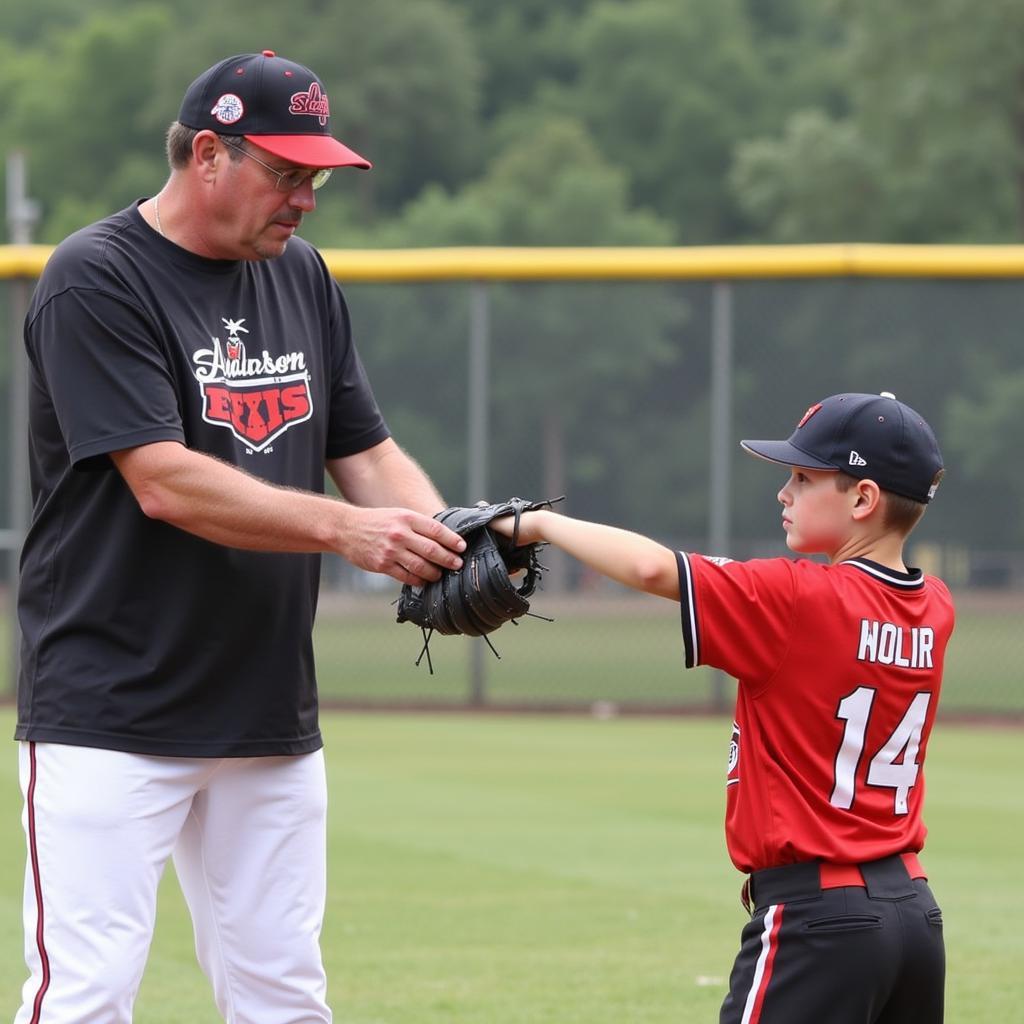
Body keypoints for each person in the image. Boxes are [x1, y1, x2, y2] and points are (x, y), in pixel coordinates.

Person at [14, 50, 466, 1022]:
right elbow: (164, 481)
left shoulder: (299, 276)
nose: (306, 199)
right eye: (287, 173)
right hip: (111, 708)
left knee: (283, 998)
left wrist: (446, 538)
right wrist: (351, 533)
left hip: (264, 708)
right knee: (85, 998)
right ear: (208, 153)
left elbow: (367, 451)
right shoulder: (96, 278)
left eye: (316, 178)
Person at [493, 391, 953, 1024]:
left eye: (802, 477)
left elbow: (655, 570)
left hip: (820, 922)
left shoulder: (794, 597)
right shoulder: (938, 607)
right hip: (914, 915)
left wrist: (537, 524)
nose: (783, 494)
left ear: (863, 499)